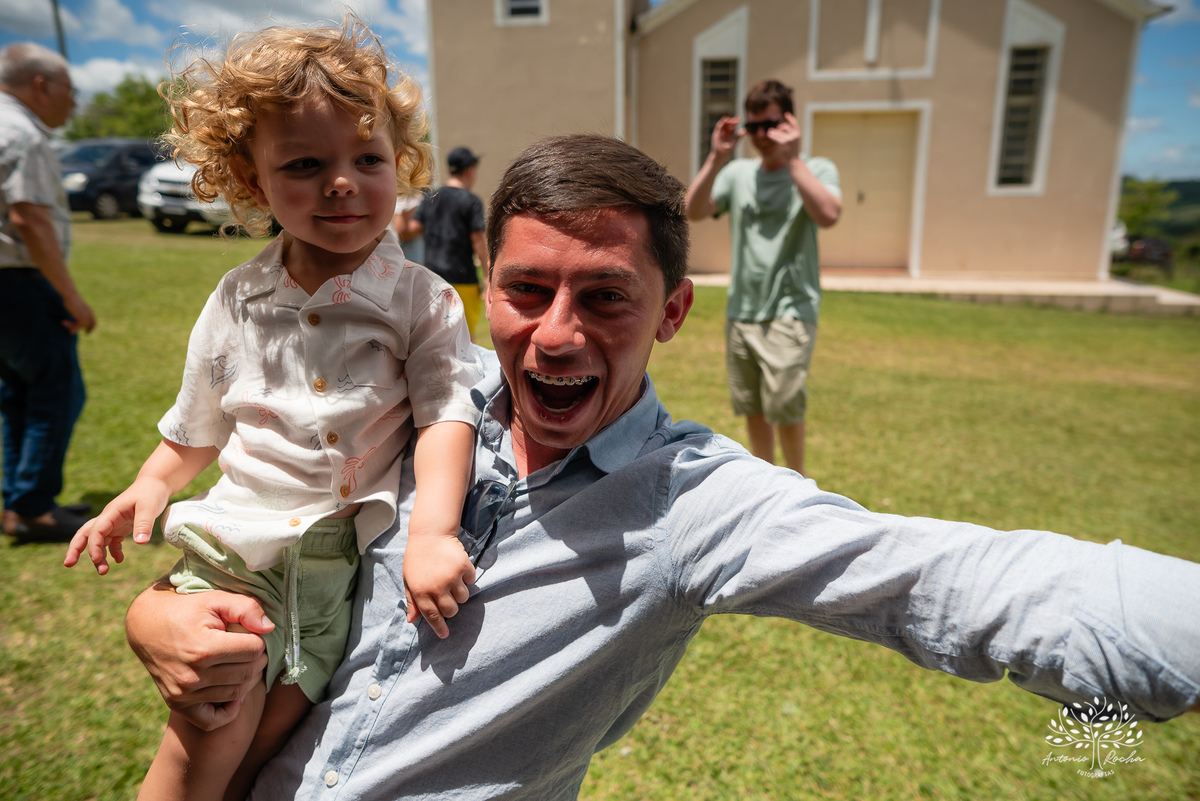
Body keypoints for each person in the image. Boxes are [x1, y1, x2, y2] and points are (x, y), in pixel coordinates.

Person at [125, 134, 1199, 800]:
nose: (553, 335)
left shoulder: (693, 504)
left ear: (672, 311)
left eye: (604, 297)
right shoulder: (405, 409)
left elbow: (947, 580)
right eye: (527, 291)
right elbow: (244, 536)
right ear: (482, 289)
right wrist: (155, 625)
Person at [64, 20, 482, 801]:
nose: (342, 182)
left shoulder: (420, 299)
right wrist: (149, 487)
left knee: (261, 750)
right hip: (238, 551)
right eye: (304, 164)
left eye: (369, 159)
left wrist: (432, 534)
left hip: (330, 573)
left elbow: (446, 413)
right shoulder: (237, 298)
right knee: (207, 732)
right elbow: (197, 424)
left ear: (403, 164)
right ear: (252, 183)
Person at [685, 79, 842, 475]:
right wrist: (716, 158)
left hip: (790, 309)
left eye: (770, 125)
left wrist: (793, 160)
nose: (761, 137)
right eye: (753, 128)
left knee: (785, 404)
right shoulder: (738, 173)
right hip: (743, 310)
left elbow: (829, 214)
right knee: (753, 407)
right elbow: (694, 210)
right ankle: (768, 481)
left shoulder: (816, 168)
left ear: (788, 122)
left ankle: (798, 483)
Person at [0, 42, 95, 542]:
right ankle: (34, 506)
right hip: (19, 282)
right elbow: (28, 218)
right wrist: (72, 298)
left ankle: (17, 502)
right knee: (55, 391)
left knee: (16, 391)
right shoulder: (23, 135)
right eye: (70, 91)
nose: (73, 103)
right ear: (42, 86)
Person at [407, 145, 488, 340]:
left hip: (432, 278)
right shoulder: (472, 201)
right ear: (470, 170)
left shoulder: (431, 197)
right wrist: (487, 274)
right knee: (465, 338)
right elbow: (478, 239)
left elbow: (413, 228)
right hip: (463, 278)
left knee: (434, 336)